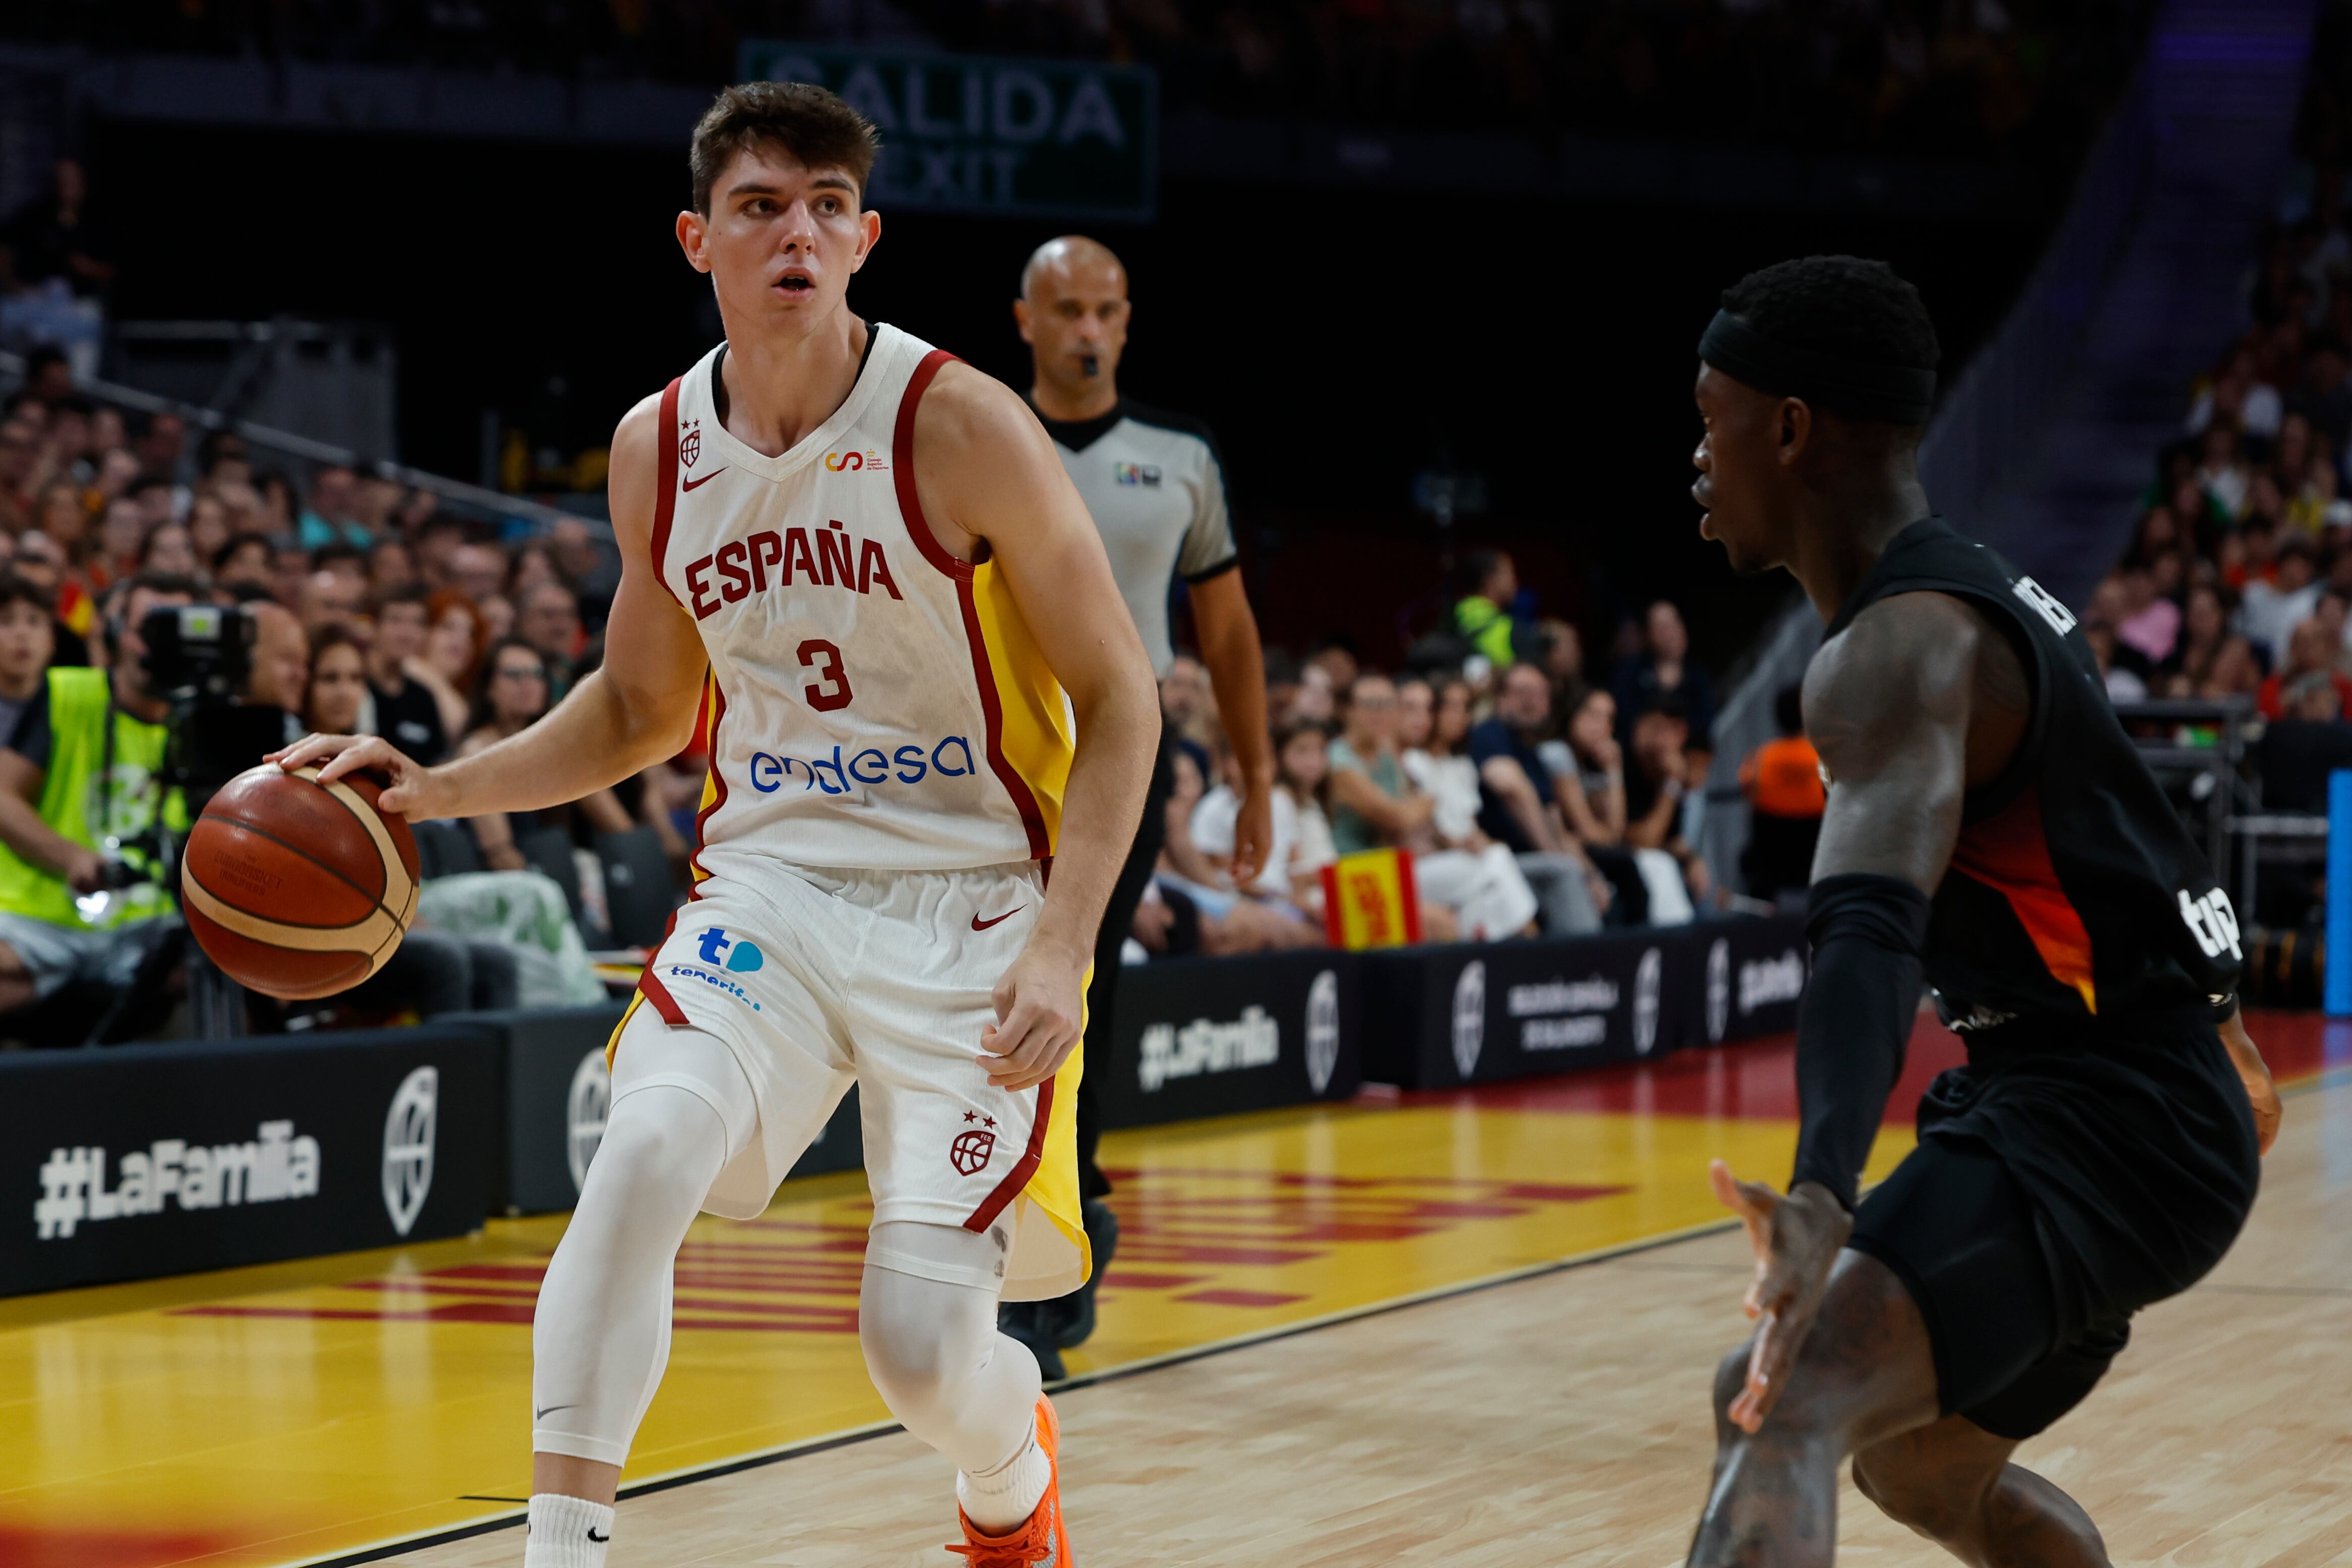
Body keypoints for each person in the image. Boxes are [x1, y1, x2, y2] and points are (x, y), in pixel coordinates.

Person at [273, 81, 1156, 1568]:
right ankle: (563, 1545)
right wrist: (433, 785)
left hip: (977, 903)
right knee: (638, 1154)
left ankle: (1010, 1488)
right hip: (774, 887)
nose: (794, 233)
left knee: (923, 1355)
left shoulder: (960, 424)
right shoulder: (656, 448)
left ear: (865, 236)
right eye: (760, 206)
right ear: (700, 238)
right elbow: (634, 707)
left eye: (824, 206)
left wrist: (1066, 940)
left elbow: (1122, 698)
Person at [1682, 254, 2277, 1566]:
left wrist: (1822, 1192)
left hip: (2109, 1118)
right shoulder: (1965, 598)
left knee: (1775, 1409)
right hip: (2119, 1101)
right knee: (1921, 1473)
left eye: (1711, 419)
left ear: (1789, 428)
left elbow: (1867, 930)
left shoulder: (1901, 648)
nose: (1697, 460)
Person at [1012, 231, 1275, 1364]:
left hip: (1122, 749)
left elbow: (1227, 631)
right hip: (992, 747)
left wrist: (1258, 775)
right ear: (1024, 318)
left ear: (1126, 322)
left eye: (1105, 311)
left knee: (1076, 977)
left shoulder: (1182, 455)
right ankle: (1033, 1209)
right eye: (1065, 309)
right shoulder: (978, 429)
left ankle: (1058, 1232)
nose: (1086, 329)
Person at [0, 572, 197, 1016]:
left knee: (246, 973)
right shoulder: (66, 692)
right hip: (42, 921)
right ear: (116, 634)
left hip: (153, 930)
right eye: (150, 628)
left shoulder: (200, 721)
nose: (161, 644)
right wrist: (70, 857)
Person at [1465, 662, 1608, 935]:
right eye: (1521, 692)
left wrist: (1590, 875)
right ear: (1501, 697)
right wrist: (1557, 856)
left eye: (1539, 693)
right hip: (1501, 859)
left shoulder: (1535, 755)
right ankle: (1589, 969)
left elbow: (1558, 827)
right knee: (1563, 873)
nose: (1530, 701)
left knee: (1607, 878)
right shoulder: (1488, 734)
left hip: (1535, 859)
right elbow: (1512, 788)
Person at [367, 585, 452, 765]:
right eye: (396, 620)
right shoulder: (354, 685)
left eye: (416, 623)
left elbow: (438, 761)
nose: (407, 633)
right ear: (374, 626)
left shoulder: (423, 698)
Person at [0, 574, 57, 745]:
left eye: (34, 621)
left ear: (52, 640)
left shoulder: (70, 708)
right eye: (7, 620)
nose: (22, 633)